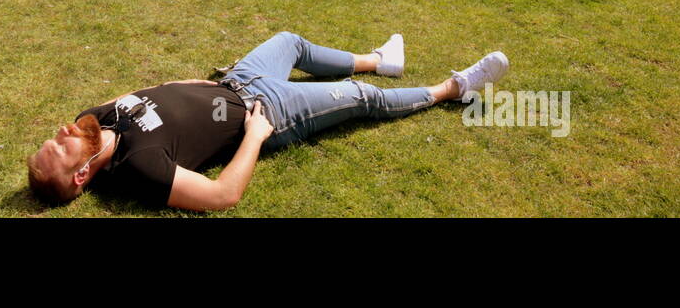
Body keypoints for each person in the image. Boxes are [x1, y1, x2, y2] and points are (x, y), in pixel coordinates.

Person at [25, 31, 509, 211]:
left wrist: (203, 84)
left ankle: (379, 58)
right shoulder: (138, 168)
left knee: (290, 41)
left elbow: (156, 92)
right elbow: (222, 196)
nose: (63, 132)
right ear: (82, 174)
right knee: (363, 100)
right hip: (268, 109)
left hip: (237, 80)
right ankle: (453, 89)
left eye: (55, 136)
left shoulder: (89, 120)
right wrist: (255, 136)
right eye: (62, 148)